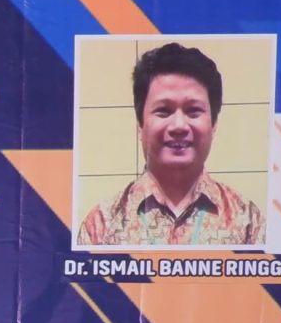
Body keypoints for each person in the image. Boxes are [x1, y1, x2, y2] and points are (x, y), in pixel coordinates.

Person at [74, 41, 265, 248]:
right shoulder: (101, 226)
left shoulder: (248, 222)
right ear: (140, 124)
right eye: (163, 111)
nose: (179, 126)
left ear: (214, 124)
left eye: (193, 111)